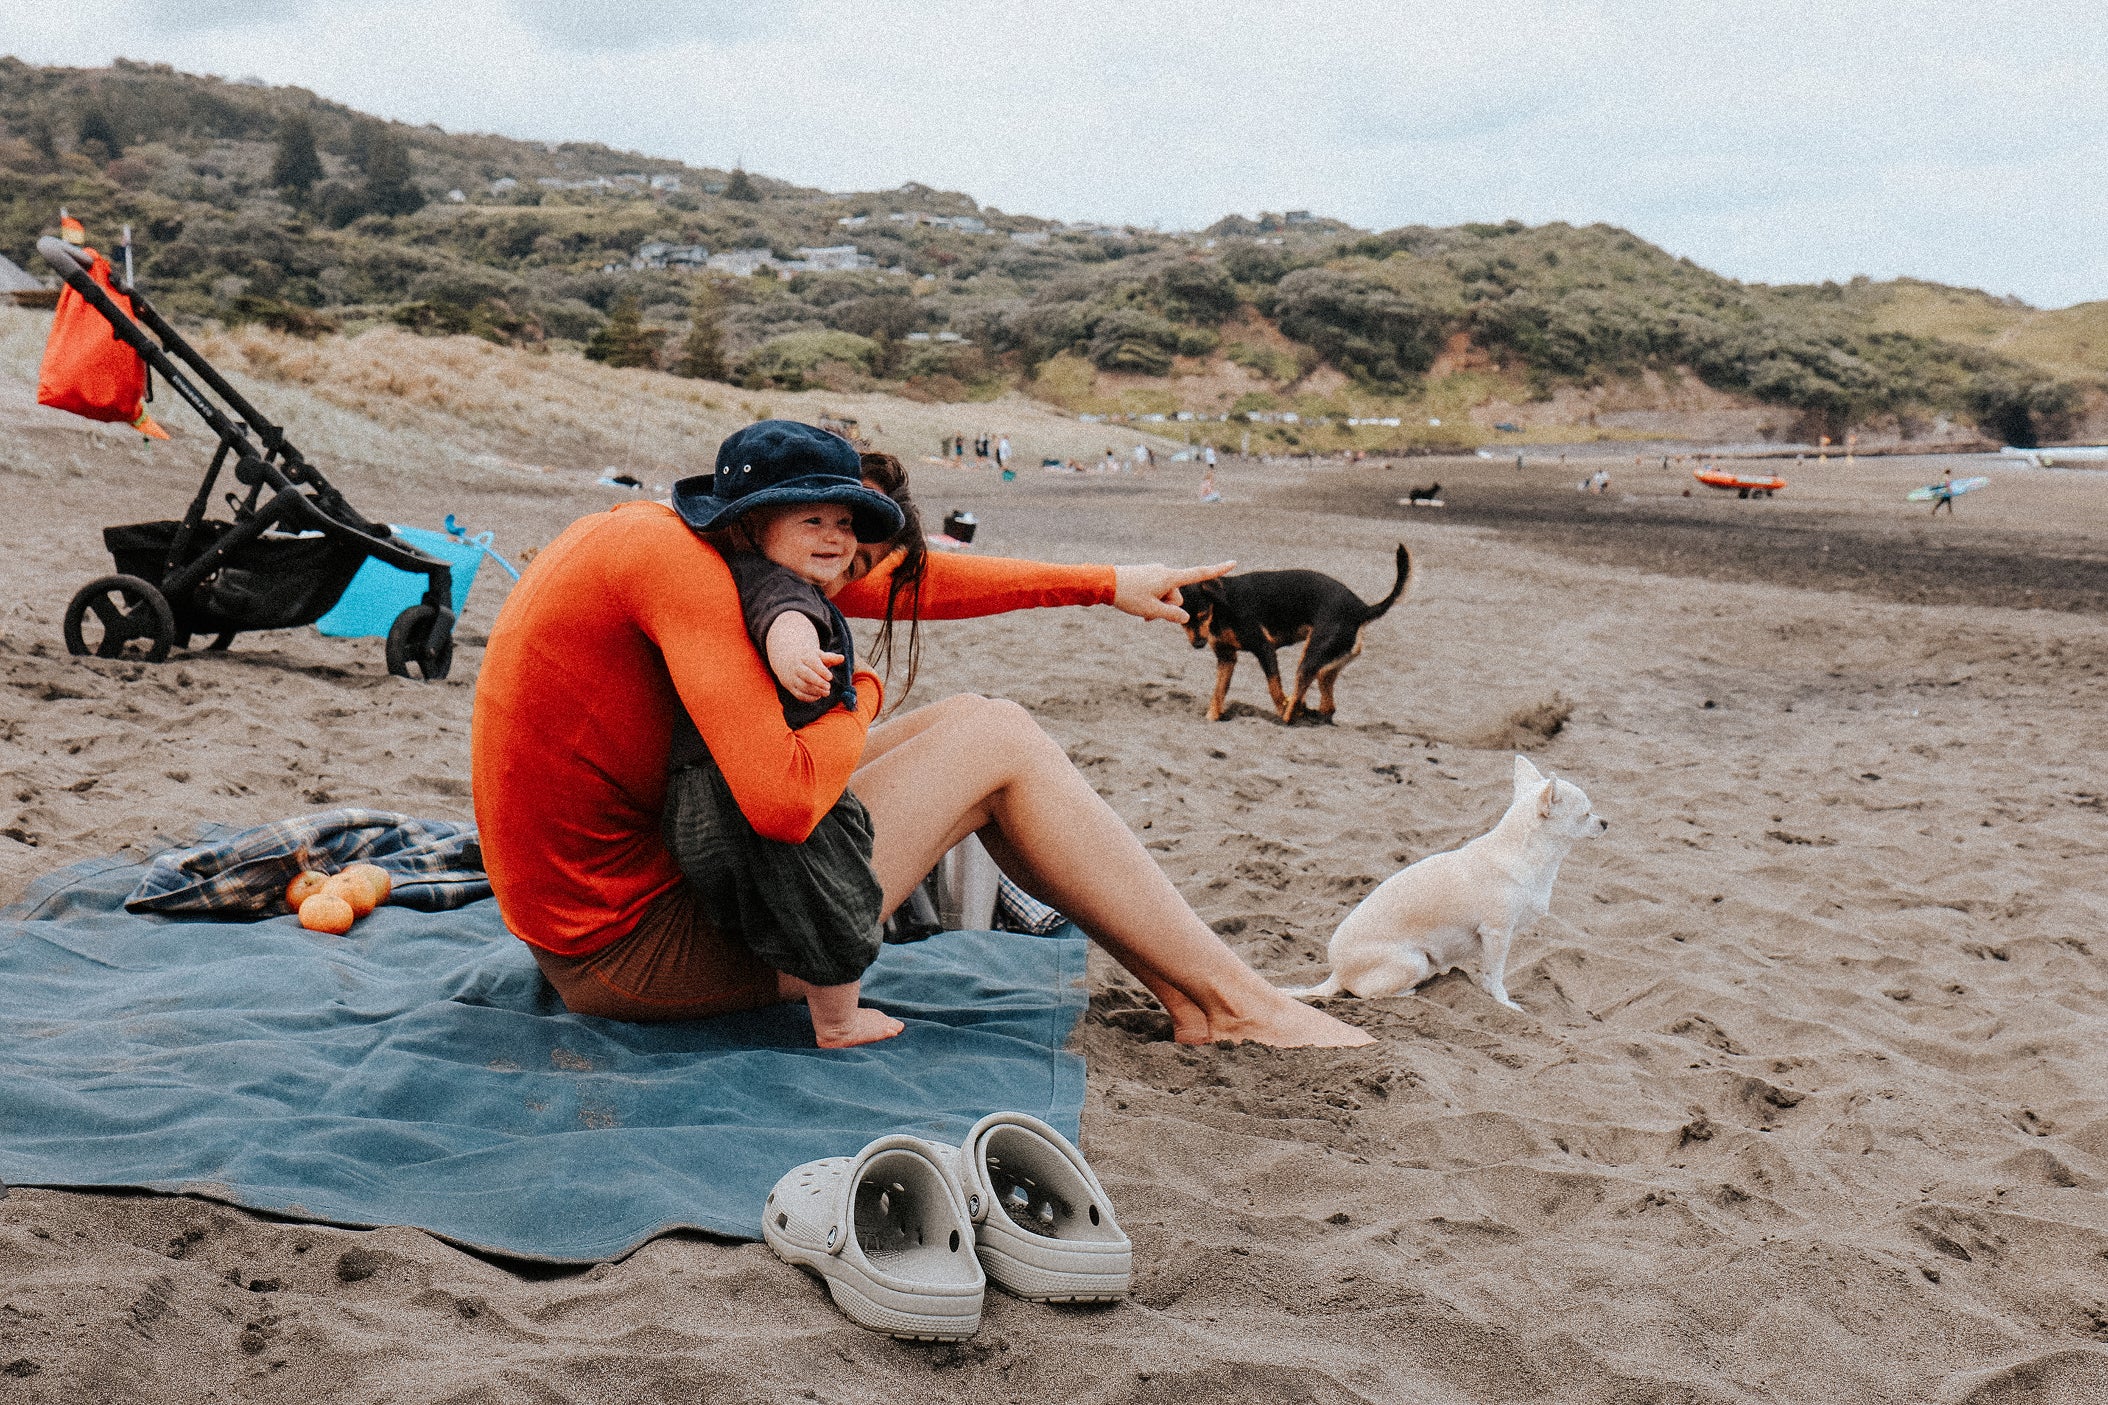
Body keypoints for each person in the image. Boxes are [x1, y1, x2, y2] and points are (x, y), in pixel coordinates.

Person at [472, 420, 1367, 1049]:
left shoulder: (690, 544)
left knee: (982, 720)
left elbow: (913, 584)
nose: (852, 573)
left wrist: (1104, 581)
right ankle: (1232, 1003)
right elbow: (784, 805)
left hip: (609, 914)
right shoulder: (684, 578)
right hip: (636, 956)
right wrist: (859, 690)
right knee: (999, 744)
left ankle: (1205, 996)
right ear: (762, 523)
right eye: (831, 536)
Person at [660, 425, 907, 1046]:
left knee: (801, 882)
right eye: (812, 520)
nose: (835, 537)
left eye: (845, 522)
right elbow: (784, 621)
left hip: (711, 788)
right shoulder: (778, 586)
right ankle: (838, 1021)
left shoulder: (739, 573)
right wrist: (794, 654)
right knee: (834, 893)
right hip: (749, 785)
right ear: (751, 527)